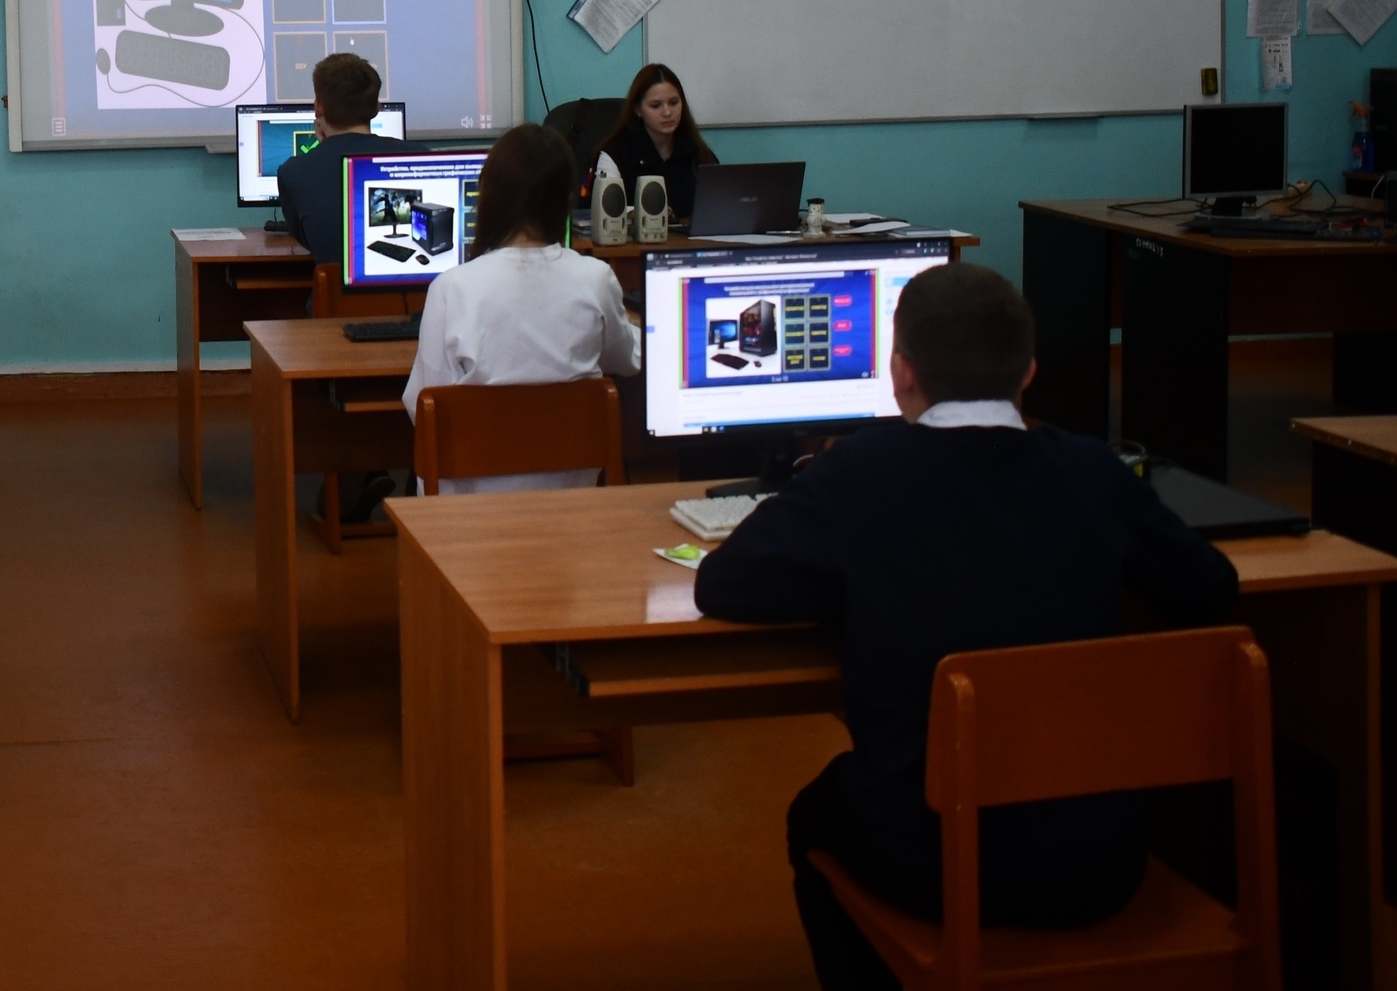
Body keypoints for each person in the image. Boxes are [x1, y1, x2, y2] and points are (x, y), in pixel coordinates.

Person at [694, 262, 1238, 991]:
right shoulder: (1093, 470)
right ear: (1029, 371)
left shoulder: (861, 472)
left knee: (815, 815)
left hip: (928, 862)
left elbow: (724, 583)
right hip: (1098, 865)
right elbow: (1209, 588)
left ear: (901, 373)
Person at [401, 124, 641, 493]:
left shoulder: (452, 287)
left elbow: (423, 406)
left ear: (489, 197)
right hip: (572, 499)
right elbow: (627, 359)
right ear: (566, 199)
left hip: (467, 508)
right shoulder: (595, 279)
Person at [275, 53, 409, 265]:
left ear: (318, 107)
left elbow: (312, 243)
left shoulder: (293, 172)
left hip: (335, 287)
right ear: (377, 108)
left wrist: (325, 149)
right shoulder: (419, 156)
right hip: (410, 284)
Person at [595, 63, 717, 225]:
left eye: (674, 102)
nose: (667, 112)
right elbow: (604, 208)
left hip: (690, 240)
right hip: (634, 239)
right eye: (655, 105)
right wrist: (635, 213)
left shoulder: (700, 154)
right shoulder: (615, 154)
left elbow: (719, 206)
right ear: (638, 109)